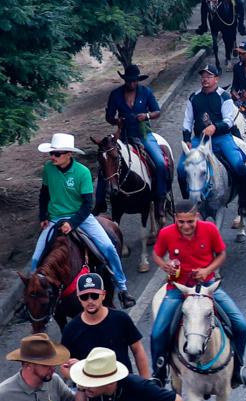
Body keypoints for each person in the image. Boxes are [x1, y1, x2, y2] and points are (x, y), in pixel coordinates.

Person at [149, 201, 246, 387]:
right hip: (178, 289)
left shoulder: (210, 230)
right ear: (175, 219)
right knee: (157, 333)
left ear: (197, 217)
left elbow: (221, 254)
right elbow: (156, 254)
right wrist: (164, 266)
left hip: (207, 287)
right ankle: (158, 373)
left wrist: (207, 270)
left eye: (190, 221)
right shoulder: (166, 233)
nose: (186, 226)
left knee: (241, 325)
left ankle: (238, 368)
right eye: (181, 222)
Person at [30, 132, 133, 306]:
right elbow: (44, 194)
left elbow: (87, 205)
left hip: (81, 217)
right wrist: (43, 216)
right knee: (35, 259)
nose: (52, 157)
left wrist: (72, 224)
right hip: (55, 218)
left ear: (69, 154)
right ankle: (32, 293)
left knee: (108, 248)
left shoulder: (82, 172)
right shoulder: (48, 169)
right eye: (51, 153)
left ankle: (122, 288)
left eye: (57, 154)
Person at [179, 67, 246, 219]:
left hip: (222, 137)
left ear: (216, 79)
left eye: (209, 76)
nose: (205, 79)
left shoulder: (224, 97)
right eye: (203, 76)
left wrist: (215, 127)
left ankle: (244, 201)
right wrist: (187, 139)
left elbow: (228, 121)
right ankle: (189, 201)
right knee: (181, 168)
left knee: (238, 165)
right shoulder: (194, 97)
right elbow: (187, 121)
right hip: (199, 139)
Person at [59, 271, 151, 380]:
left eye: (94, 296)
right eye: (84, 297)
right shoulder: (71, 329)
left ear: (103, 295)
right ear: (78, 298)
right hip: (90, 387)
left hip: (123, 384)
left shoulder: (121, 319)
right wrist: (80, 377)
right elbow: (64, 366)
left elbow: (138, 350)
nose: (90, 301)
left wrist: (146, 383)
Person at [103, 64, 170, 178]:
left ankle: (162, 188)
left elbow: (157, 112)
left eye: (134, 81)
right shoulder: (115, 95)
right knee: (106, 164)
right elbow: (109, 117)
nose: (131, 84)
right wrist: (116, 121)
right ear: (125, 80)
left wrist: (146, 116)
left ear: (138, 80)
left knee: (160, 163)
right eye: (128, 81)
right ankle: (102, 190)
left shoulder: (146, 92)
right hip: (124, 136)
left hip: (144, 135)